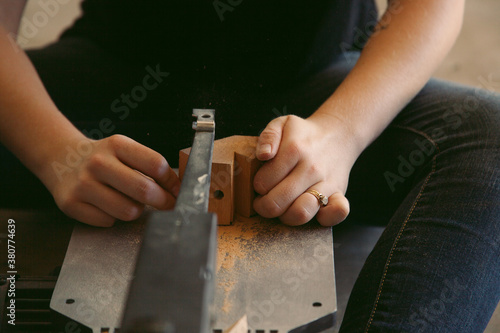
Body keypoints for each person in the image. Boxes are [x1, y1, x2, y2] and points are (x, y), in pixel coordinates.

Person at [0, 0, 498, 331]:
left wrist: (341, 134)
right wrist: (54, 151)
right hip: (115, 85)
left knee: (488, 138)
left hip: (310, 93)